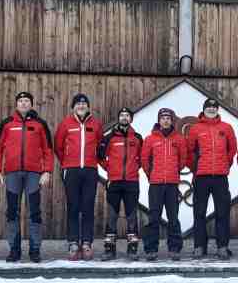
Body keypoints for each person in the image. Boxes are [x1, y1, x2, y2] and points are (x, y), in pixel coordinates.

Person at [0, 92, 53, 263]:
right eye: (21, 101)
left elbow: (48, 149)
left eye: (27, 101)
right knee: (12, 211)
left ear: (32, 104)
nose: (24, 103)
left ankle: (35, 249)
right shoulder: (7, 124)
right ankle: (14, 249)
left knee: (34, 212)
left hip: (34, 174)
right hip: (12, 174)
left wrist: (47, 171)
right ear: (16, 104)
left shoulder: (40, 124)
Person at [187, 98, 237, 260]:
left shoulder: (226, 128)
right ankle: (199, 246)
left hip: (220, 177)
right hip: (201, 177)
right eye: (208, 107)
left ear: (217, 110)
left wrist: (225, 166)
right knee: (199, 212)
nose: (211, 109)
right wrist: (196, 169)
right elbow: (189, 152)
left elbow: (232, 150)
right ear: (203, 109)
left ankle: (222, 246)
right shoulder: (195, 128)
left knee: (222, 212)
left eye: (214, 107)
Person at [54, 93, 103, 261]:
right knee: (73, 207)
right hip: (72, 170)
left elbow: (100, 146)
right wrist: (67, 162)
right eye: (78, 104)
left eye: (84, 103)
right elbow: (58, 146)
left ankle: (87, 243)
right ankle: (73, 243)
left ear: (88, 107)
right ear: (73, 107)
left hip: (90, 170)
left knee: (88, 207)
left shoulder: (95, 125)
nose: (81, 106)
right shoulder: (66, 124)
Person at [141, 108, 187, 261]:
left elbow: (182, 160)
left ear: (172, 121)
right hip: (156, 184)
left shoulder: (179, 139)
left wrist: (174, 171)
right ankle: (151, 249)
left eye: (168, 118)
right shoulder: (150, 139)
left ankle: (174, 248)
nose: (166, 120)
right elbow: (144, 160)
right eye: (163, 118)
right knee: (154, 217)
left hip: (172, 184)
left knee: (173, 217)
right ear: (159, 120)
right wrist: (152, 174)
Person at [98, 107, 143, 261]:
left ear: (131, 119)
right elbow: (100, 157)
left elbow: (142, 158)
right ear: (119, 118)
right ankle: (109, 249)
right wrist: (109, 169)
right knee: (112, 215)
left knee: (131, 215)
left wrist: (134, 168)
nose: (124, 117)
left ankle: (132, 249)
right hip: (114, 181)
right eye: (122, 115)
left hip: (132, 182)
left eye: (127, 115)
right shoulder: (109, 138)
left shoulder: (137, 138)